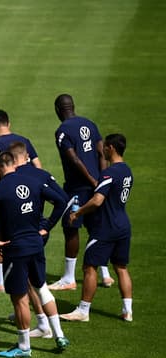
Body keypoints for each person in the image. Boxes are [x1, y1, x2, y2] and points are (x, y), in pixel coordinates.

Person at [0, 151, 70, 358]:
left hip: (15, 249)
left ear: (1, 167)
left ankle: (24, 346)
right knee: (42, 287)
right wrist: (47, 226)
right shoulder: (33, 181)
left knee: (19, 298)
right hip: (36, 244)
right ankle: (59, 335)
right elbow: (61, 201)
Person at [61, 133, 134, 322]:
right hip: (123, 225)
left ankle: (83, 311)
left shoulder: (109, 173)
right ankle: (128, 311)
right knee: (121, 267)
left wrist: (77, 213)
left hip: (106, 228)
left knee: (89, 266)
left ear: (111, 148)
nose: (100, 150)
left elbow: (97, 200)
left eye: (104, 147)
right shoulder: (127, 171)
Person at [49, 94, 114, 290]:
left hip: (78, 189)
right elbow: (101, 152)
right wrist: (101, 180)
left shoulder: (62, 131)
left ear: (58, 110)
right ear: (73, 107)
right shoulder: (90, 124)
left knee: (71, 226)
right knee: (97, 228)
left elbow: (74, 160)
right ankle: (105, 274)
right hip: (96, 189)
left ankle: (69, 278)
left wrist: (93, 181)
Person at [7, 142, 70, 339]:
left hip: (22, 235)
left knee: (29, 281)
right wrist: (47, 225)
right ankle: (44, 322)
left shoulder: (12, 177)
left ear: (11, 158)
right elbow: (63, 199)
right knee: (35, 280)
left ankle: (41, 322)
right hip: (39, 231)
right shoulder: (41, 174)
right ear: (26, 156)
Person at [0, 109, 42, 293]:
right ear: (8, 123)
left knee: (0, 235)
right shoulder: (24, 141)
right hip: (28, 195)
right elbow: (38, 166)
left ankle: (0, 281)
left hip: (7, 195)